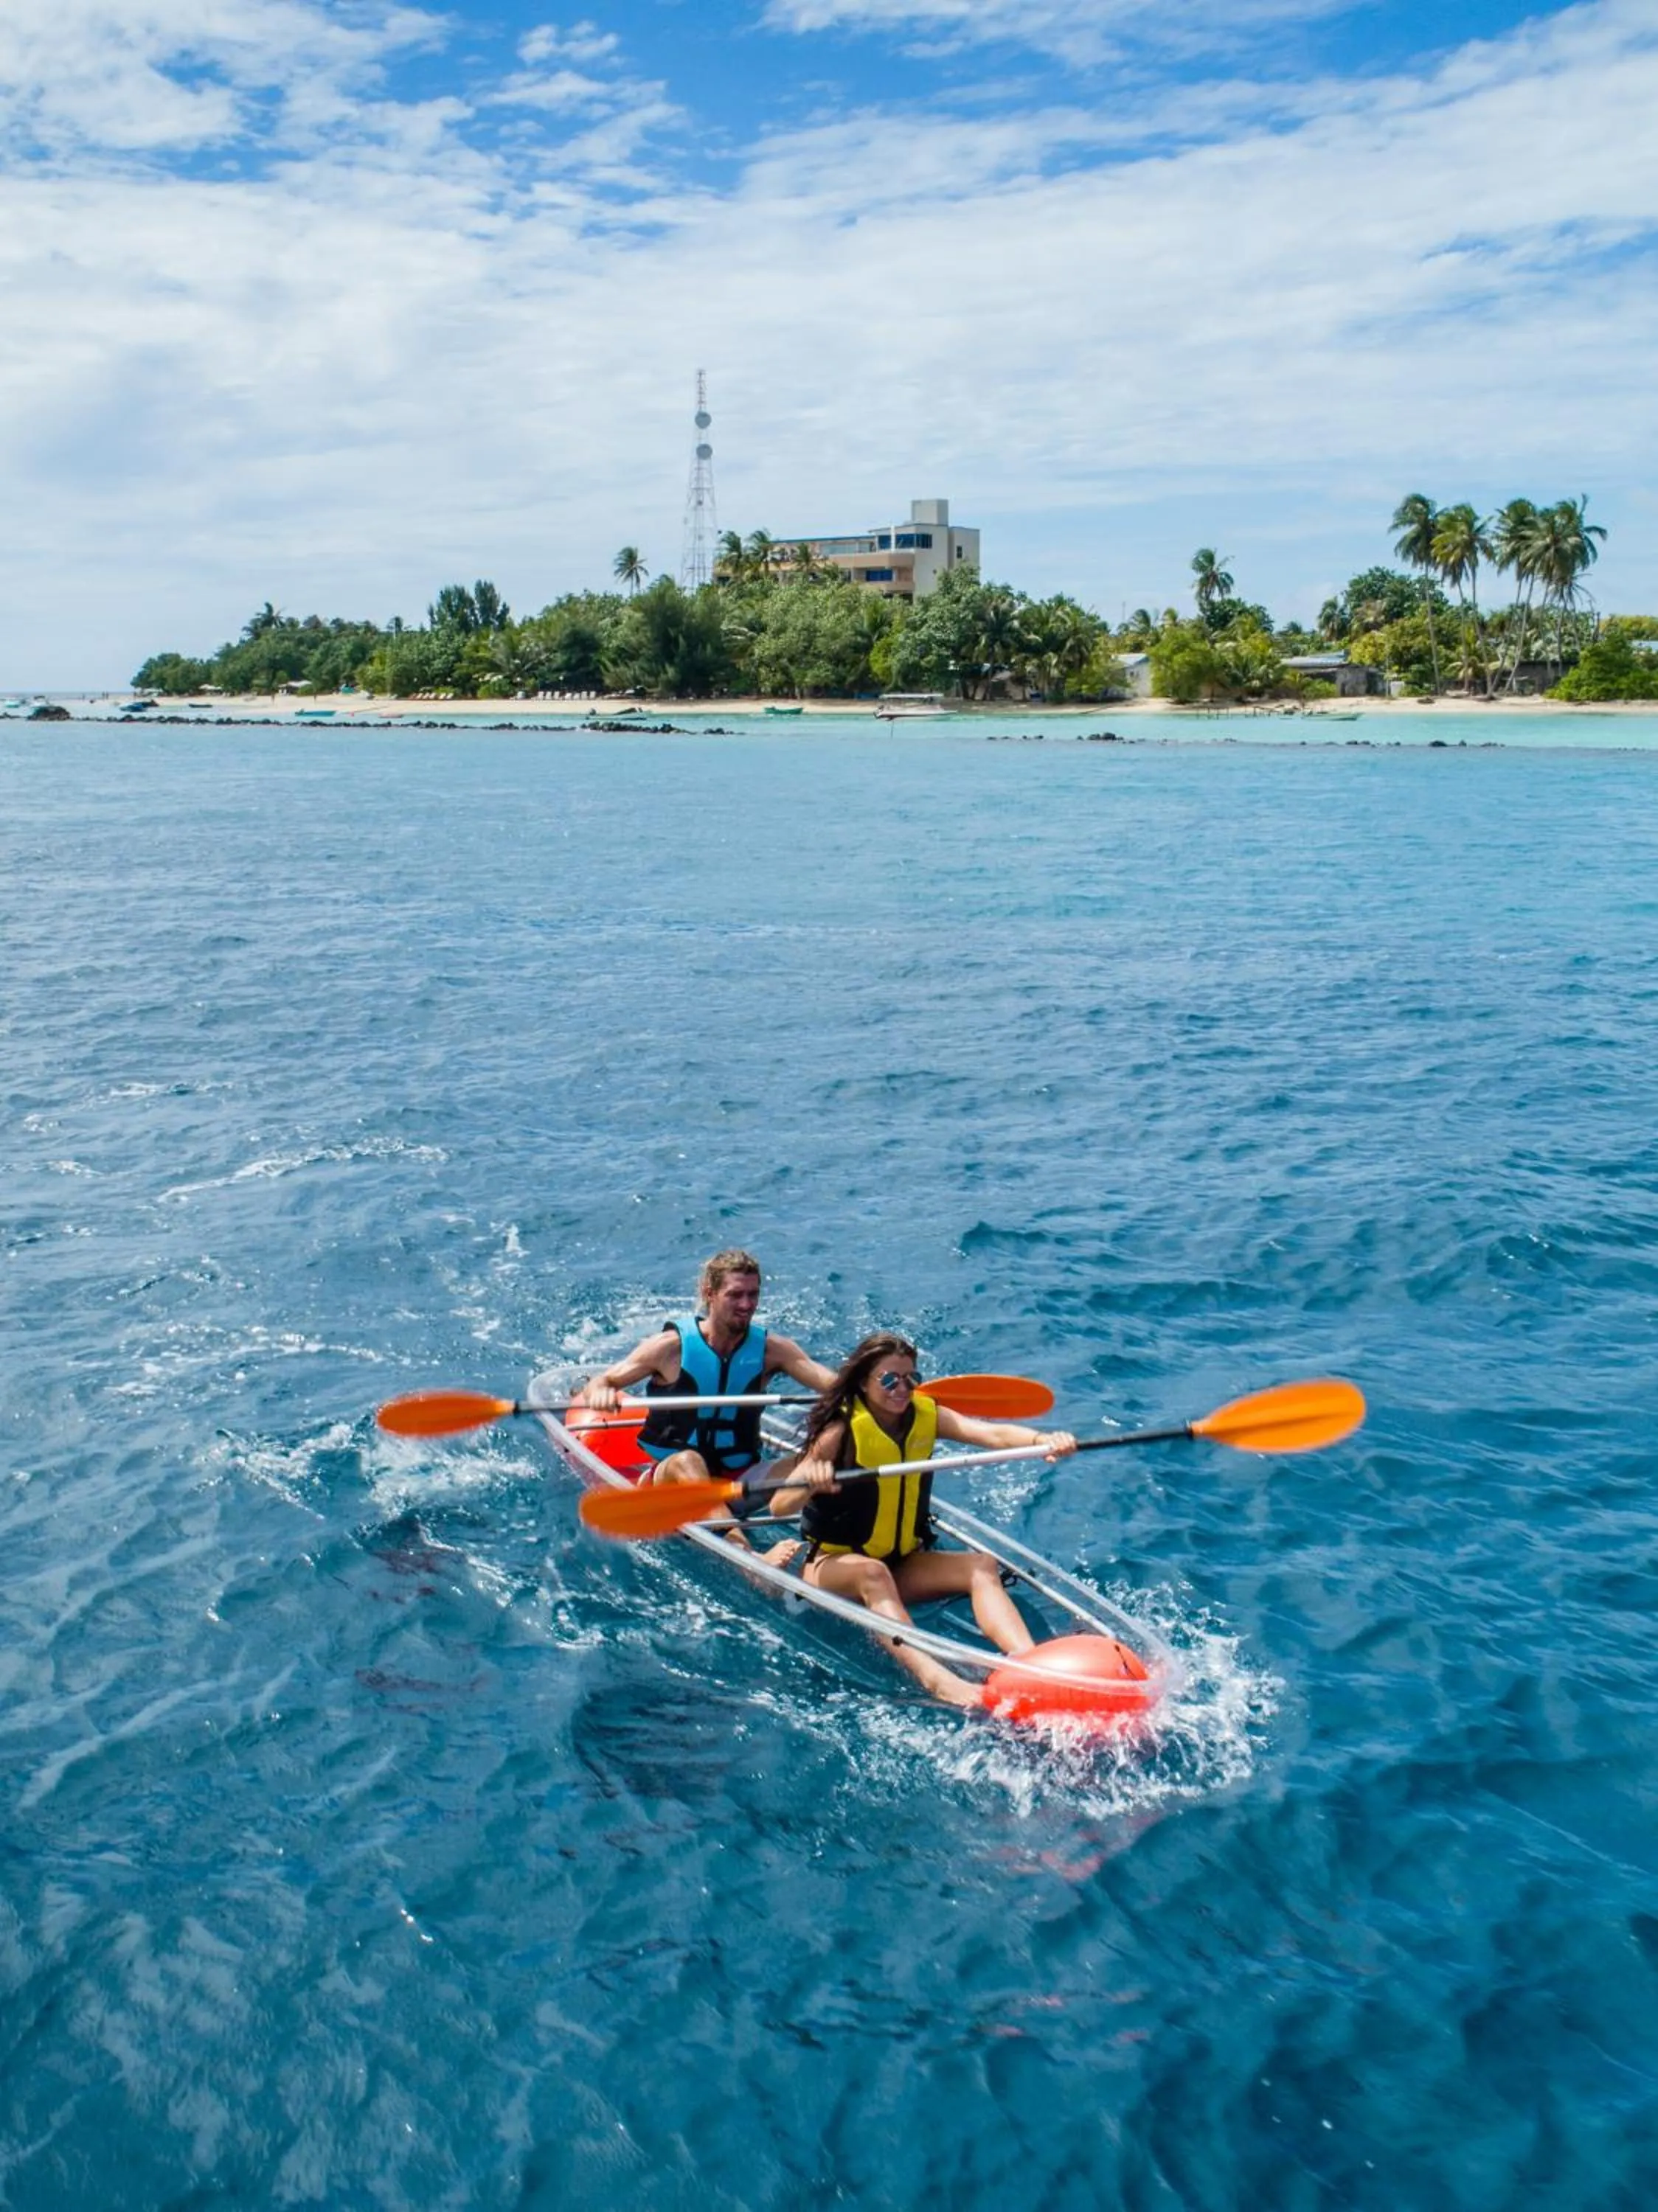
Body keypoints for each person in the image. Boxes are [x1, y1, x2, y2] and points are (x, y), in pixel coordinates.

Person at [769, 1332, 1076, 1708]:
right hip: (832, 1566)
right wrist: (808, 1483)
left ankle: (1031, 1665)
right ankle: (936, 1679)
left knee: (981, 1565)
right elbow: (779, 1506)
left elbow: (990, 1432)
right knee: (872, 1574)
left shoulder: (926, 1415)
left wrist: (1041, 1441)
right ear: (864, 1382)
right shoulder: (839, 1432)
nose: (901, 1388)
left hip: (901, 1561)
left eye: (910, 1378)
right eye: (888, 1379)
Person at [572, 1249, 835, 1547]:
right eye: (735, 1295)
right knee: (688, 1461)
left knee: (813, 1459)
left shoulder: (772, 1350)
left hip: (738, 1482)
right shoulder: (669, 1348)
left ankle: (841, 1543)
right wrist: (600, 1392)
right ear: (709, 1293)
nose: (747, 1305)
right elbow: (603, 1381)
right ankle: (746, 1556)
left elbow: (837, 1387)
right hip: (671, 1485)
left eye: (753, 1295)